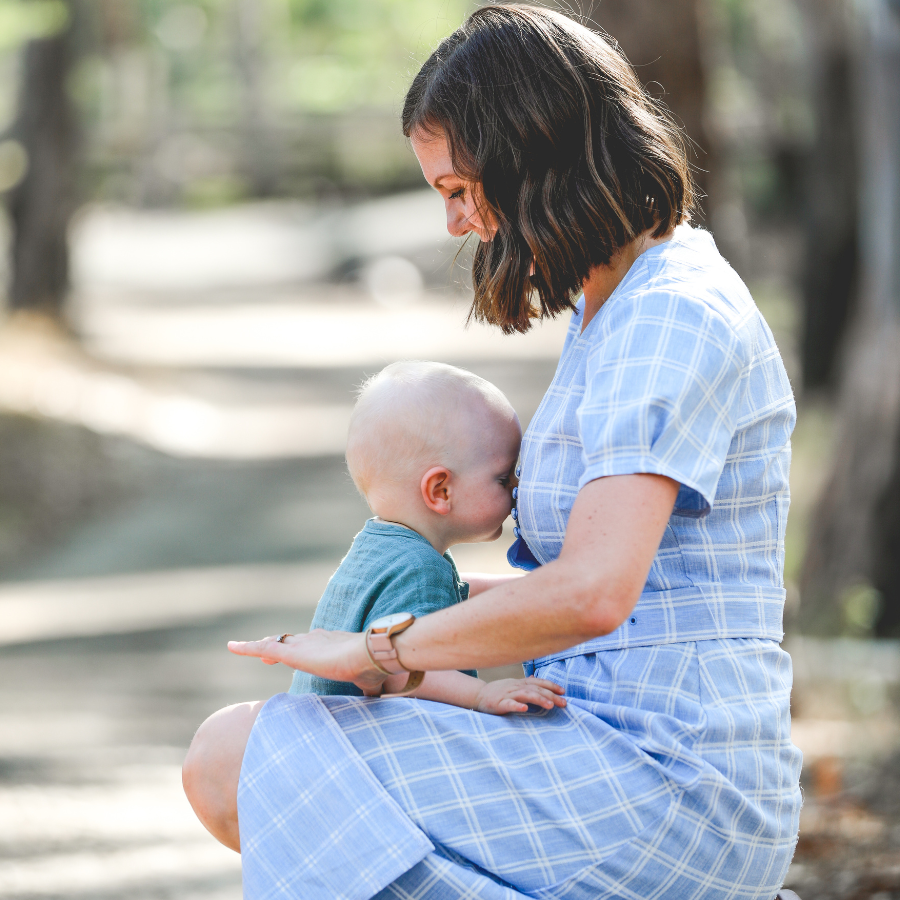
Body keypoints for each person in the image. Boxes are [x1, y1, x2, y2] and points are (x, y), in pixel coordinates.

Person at [182, 6, 802, 899]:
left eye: (457, 189)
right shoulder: (618, 308)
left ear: (531, 157)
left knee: (244, 756)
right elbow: (623, 587)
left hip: (671, 774)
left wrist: (381, 651)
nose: (454, 223)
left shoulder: (670, 315)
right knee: (239, 755)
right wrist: (403, 599)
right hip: (600, 733)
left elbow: (593, 593)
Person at [285, 359, 566, 715]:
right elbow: (403, 668)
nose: (516, 488)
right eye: (503, 477)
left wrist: (546, 590)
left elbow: (456, 594)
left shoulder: (382, 546)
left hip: (317, 729)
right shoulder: (419, 568)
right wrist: (481, 694)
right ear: (440, 490)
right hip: (356, 745)